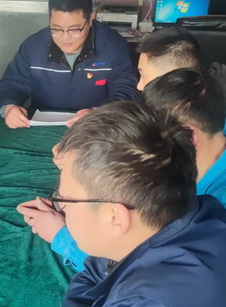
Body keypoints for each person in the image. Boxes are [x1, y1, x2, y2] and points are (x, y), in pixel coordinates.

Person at [47, 101, 226, 307]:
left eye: (65, 200)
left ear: (115, 218)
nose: (61, 208)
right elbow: (93, 273)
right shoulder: (196, 213)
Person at [20, 69, 226, 271]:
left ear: (189, 136)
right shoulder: (209, 139)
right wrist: (83, 156)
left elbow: (147, 271)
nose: (138, 84)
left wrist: (63, 238)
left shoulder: (216, 212)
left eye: (152, 134)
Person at [0, 0, 138, 129]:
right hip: (42, 127)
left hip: (96, 127)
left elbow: (127, 92)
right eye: (56, 29)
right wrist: (9, 107)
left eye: (74, 29)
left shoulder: (114, 47)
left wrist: (98, 114)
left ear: (90, 18)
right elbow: (11, 84)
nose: (65, 38)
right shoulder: (33, 47)